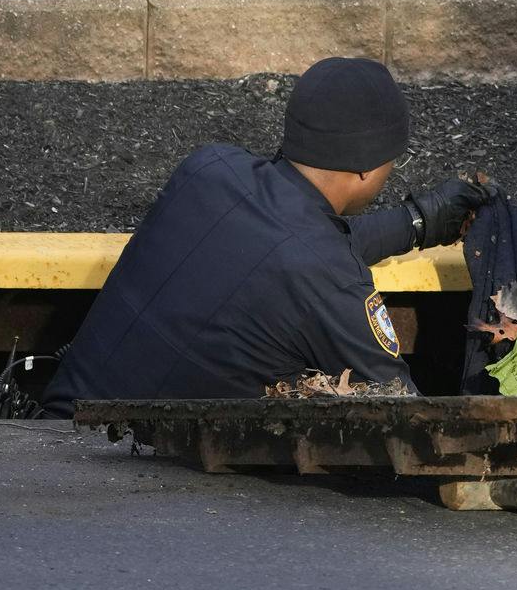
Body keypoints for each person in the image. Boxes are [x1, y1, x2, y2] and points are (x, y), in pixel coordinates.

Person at [40, 58, 494, 415]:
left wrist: (418, 221)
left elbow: (290, 247)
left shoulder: (209, 169)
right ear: (367, 165)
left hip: (42, 431)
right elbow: (410, 418)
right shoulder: (328, 281)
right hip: (125, 491)